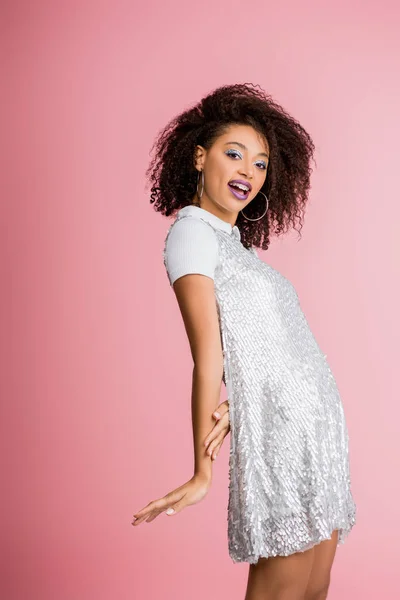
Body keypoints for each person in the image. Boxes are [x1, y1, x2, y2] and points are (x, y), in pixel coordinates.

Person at [132, 83, 357, 600]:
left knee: (314, 589)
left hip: (315, 430)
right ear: (198, 155)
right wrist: (200, 470)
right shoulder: (192, 234)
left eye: (259, 164)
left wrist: (247, 396)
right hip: (280, 438)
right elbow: (208, 358)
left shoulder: (236, 246)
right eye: (234, 155)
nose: (248, 173)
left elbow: (266, 346)